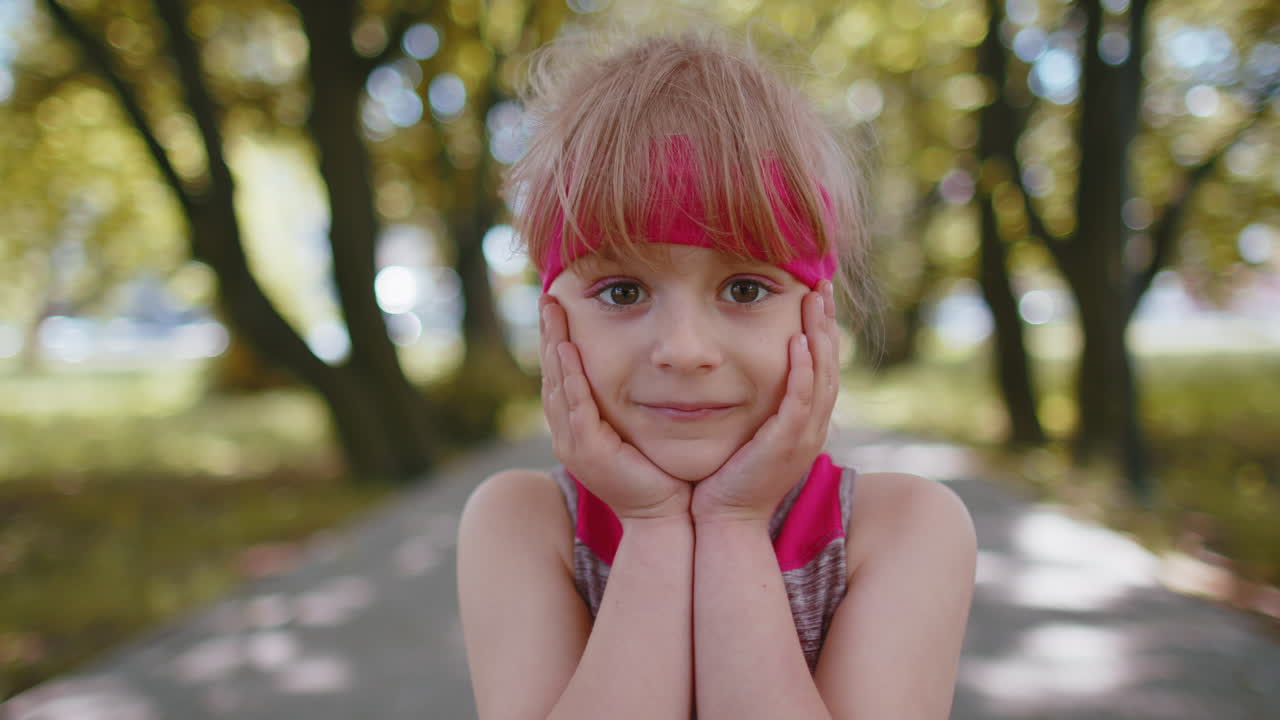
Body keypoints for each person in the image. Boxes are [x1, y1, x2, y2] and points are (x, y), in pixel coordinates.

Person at [457, 29, 977, 720]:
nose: (684, 350)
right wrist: (651, 527)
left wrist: (734, 522)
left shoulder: (902, 530)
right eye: (622, 291)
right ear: (554, 319)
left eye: (744, 289)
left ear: (818, 317)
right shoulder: (525, 525)